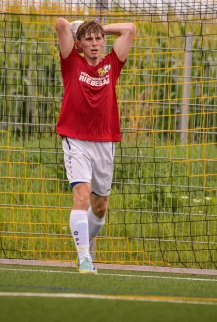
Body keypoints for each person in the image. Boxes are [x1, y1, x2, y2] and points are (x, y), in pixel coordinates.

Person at [55, 17, 136, 274]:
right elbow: (60, 23)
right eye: (88, 39)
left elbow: (130, 29)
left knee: (100, 207)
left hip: (105, 141)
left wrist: (101, 27)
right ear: (78, 43)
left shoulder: (112, 63)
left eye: (98, 38)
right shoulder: (71, 62)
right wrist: (77, 30)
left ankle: (86, 241)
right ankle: (84, 258)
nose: (94, 43)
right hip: (76, 139)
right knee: (81, 195)